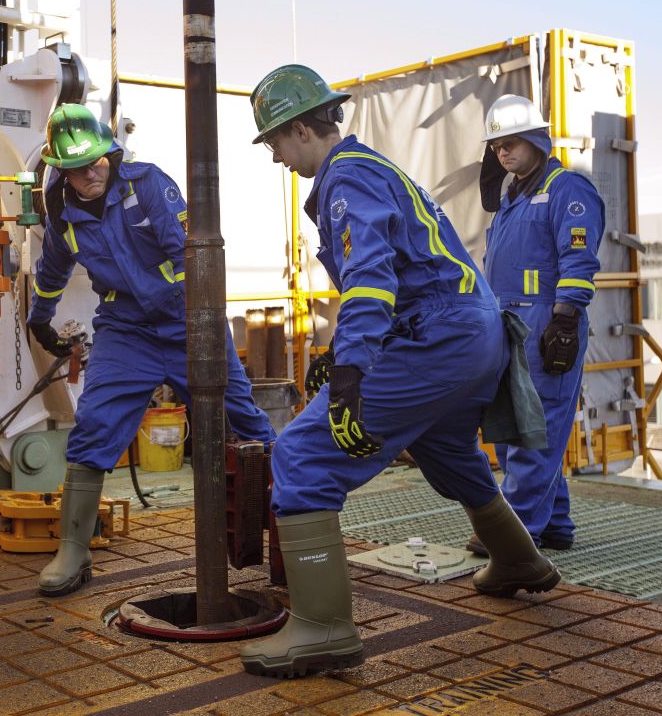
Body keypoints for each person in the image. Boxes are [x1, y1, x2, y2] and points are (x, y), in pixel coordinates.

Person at [238, 65, 559, 678]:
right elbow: (399, 270)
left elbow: (371, 279)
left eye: (275, 142)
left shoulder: (345, 178)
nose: (276, 157)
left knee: (302, 455)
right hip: (471, 331)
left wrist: (349, 375)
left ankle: (324, 629)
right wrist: (342, 353)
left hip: (438, 335)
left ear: (303, 129)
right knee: (449, 452)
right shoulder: (372, 168)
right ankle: (519, 561)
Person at [27, 103, 275, 597]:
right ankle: (74, 551)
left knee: (245, 419)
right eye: (78, 168)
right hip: (126, 330)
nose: (91, 172)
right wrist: (39, 316)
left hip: (189, 319)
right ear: (62, 172)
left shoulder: (148, 186)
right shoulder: (61, 210)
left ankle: (290, 524)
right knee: (95, 423)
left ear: (110, 152)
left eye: (97, 160)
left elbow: (188, 255)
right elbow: (53, 268)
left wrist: (183, 311)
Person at [468, 94, 605, 556]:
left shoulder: (568, 189)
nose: (504, 153)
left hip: (546, 325)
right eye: (497, 147)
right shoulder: (512, 196)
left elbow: (578, 258)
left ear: (536, 139)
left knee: (536, 430)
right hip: (508, 325)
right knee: (512, 430)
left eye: (511, 143)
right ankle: (556, 525)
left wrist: (564, 320)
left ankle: (517, 532)